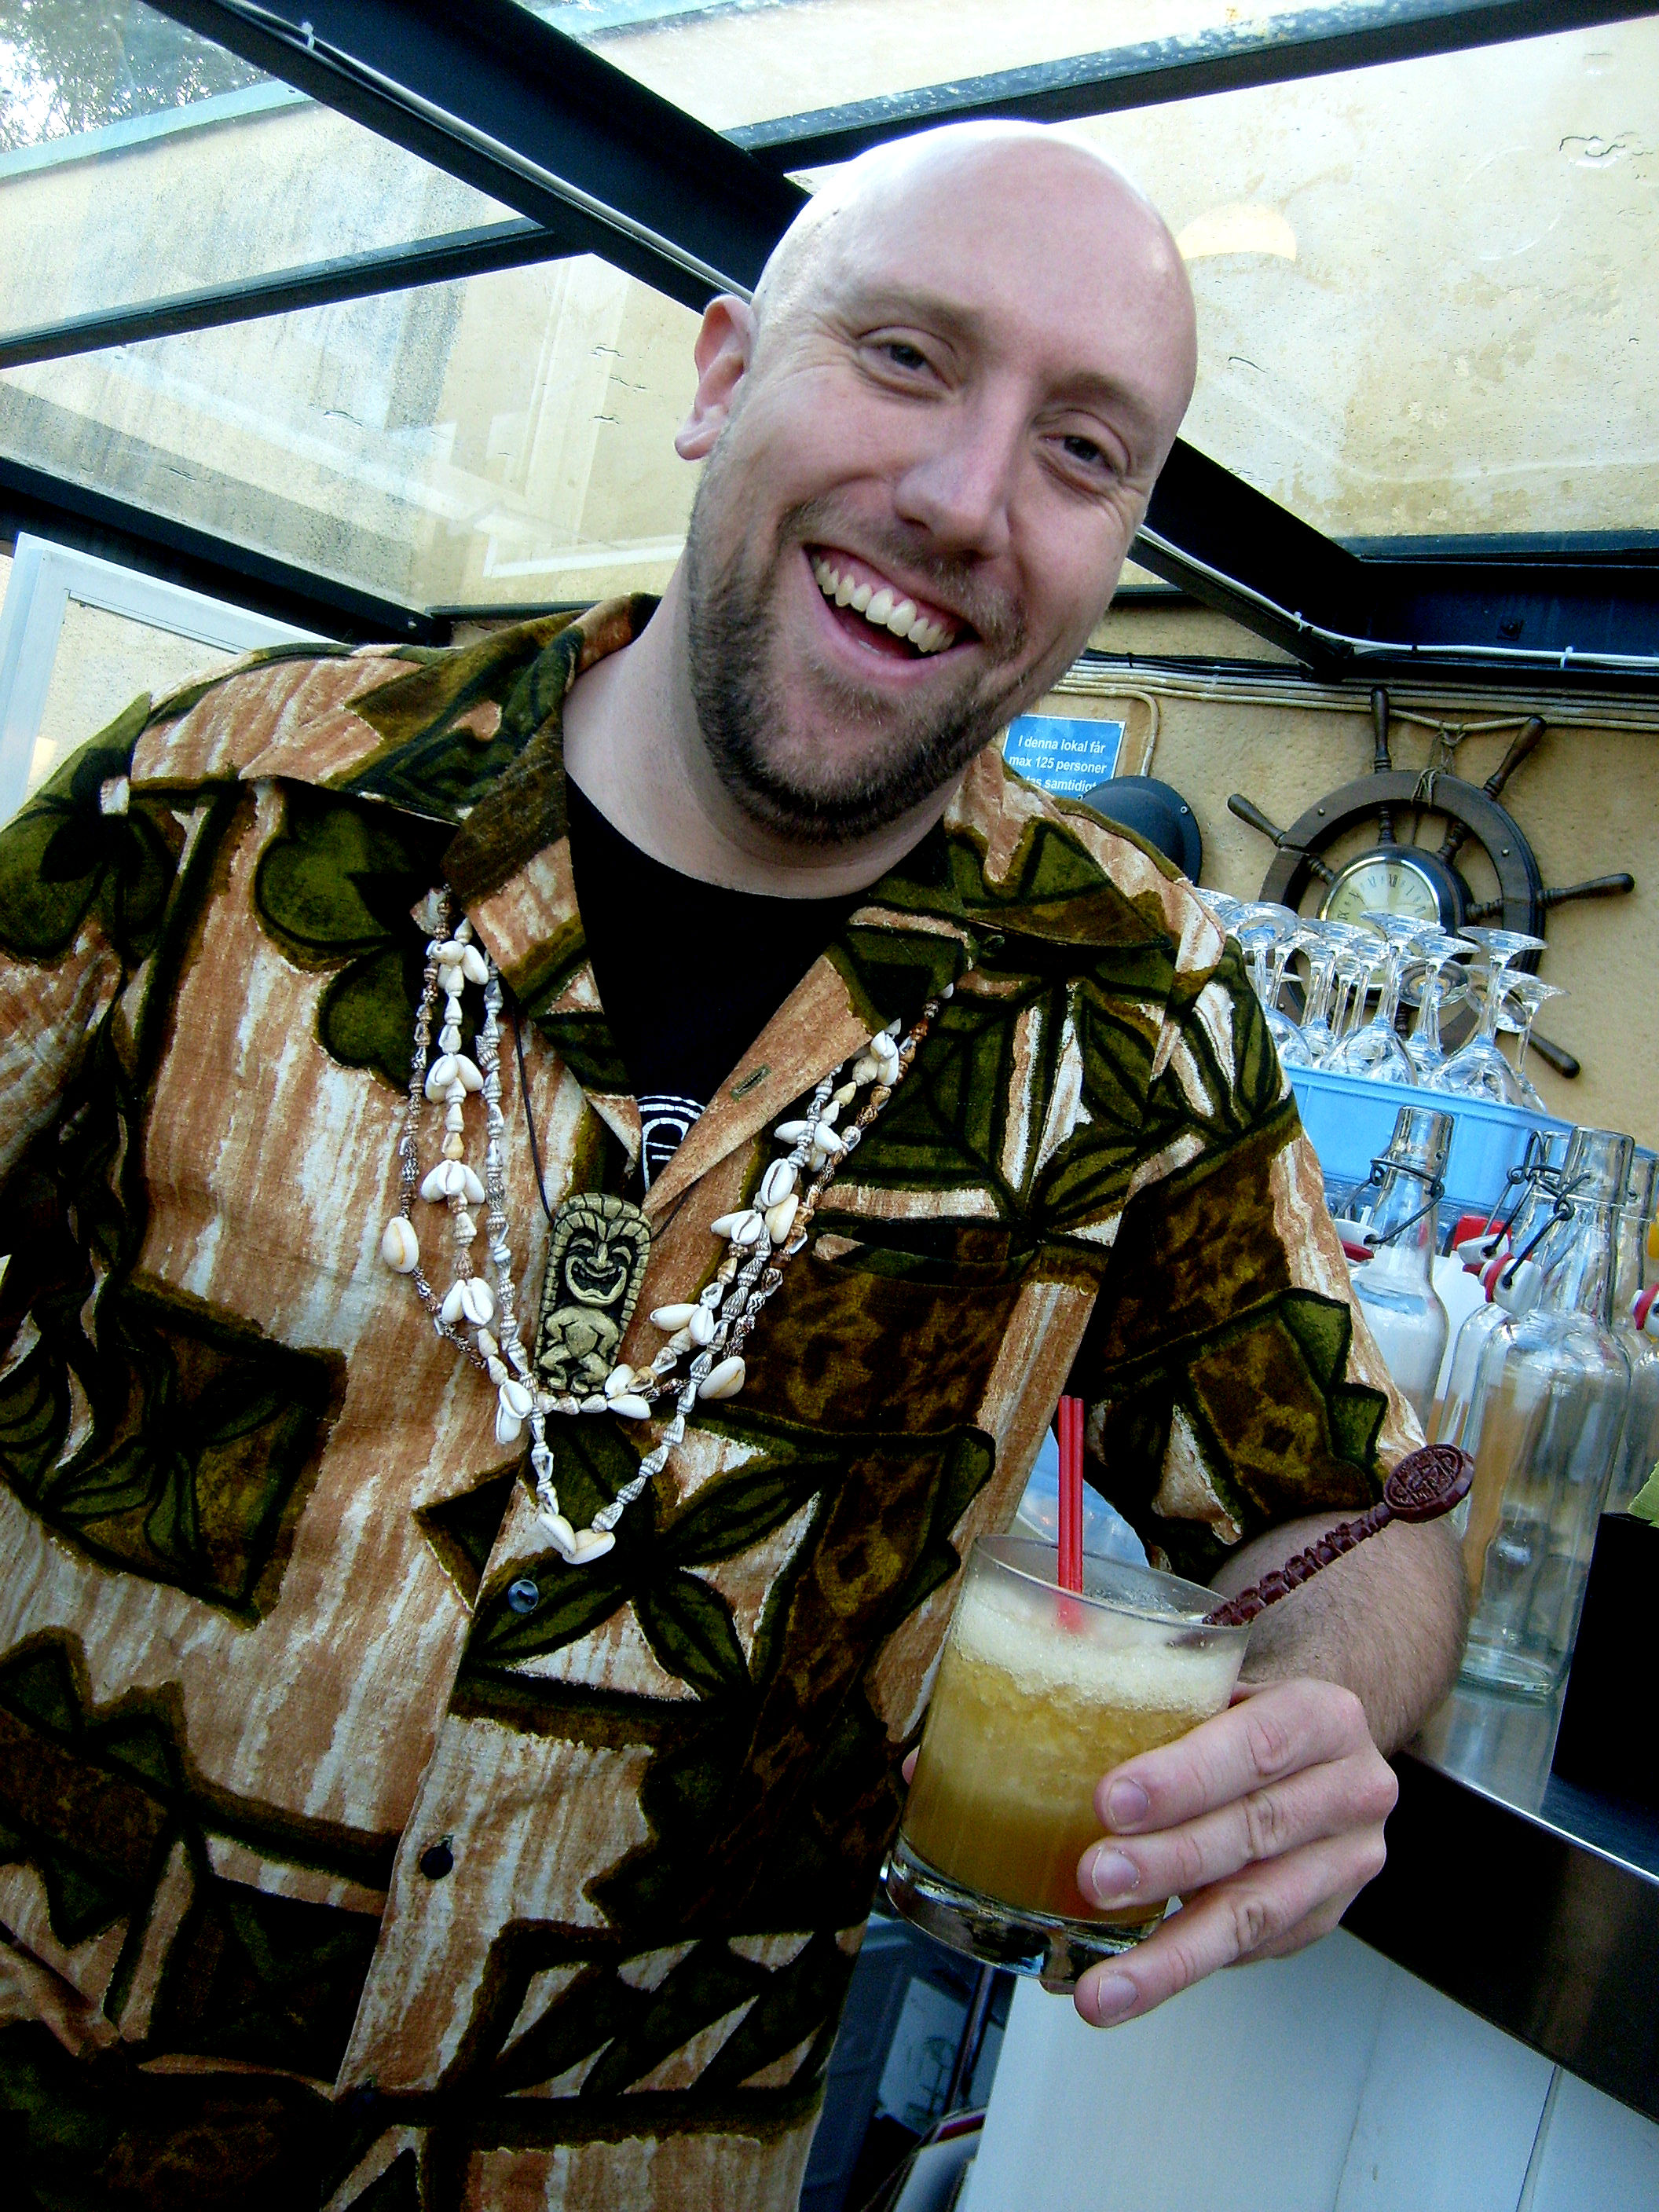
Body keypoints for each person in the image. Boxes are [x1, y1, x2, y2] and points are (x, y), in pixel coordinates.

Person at [0, 123, 1463, 2210]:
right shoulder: (218, 807)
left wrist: (1325, 1715)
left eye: (1082, 452)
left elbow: (1356, 1513)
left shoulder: (1133, 1004)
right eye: (904, 356)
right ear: (720, 376)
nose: (963, 499)